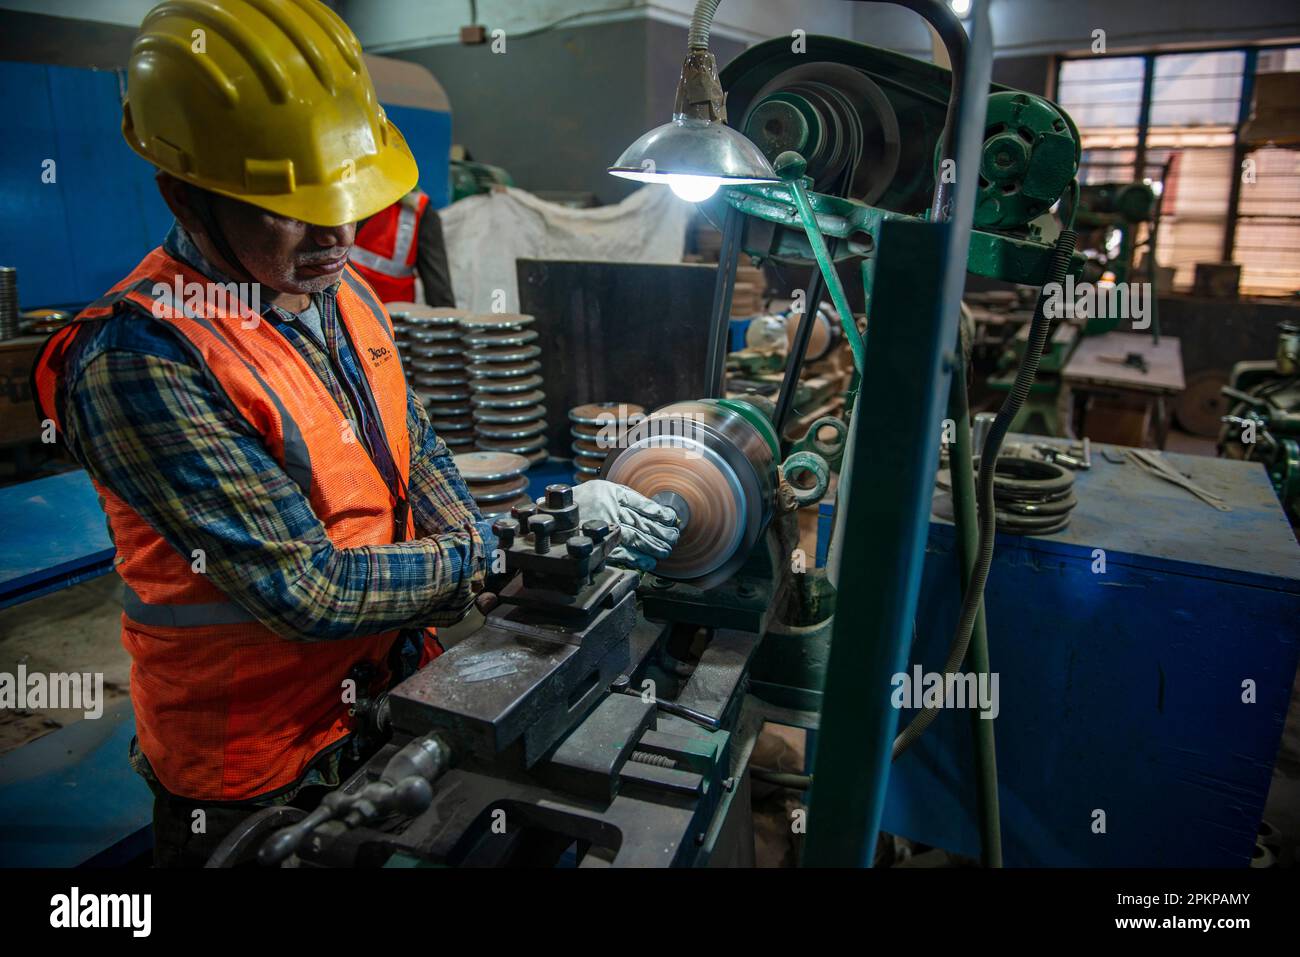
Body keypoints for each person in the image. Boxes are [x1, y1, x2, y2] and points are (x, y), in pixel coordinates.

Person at [32, 0, 678, 866]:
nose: (339, 236)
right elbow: (306, 589)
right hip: (258, 772)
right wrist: (496, 552)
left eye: (347, 198)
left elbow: (421, 460)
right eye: (288, 210)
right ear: (184, 195)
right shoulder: (142, 359)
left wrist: (545, 533)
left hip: (396, 698)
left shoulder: (340, 297)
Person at [350, 187, 457, 306]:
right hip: (357, 308)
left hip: (387, 316)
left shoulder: (420, 210)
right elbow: (439, 291)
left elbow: (439, 292)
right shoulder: (351, 195)